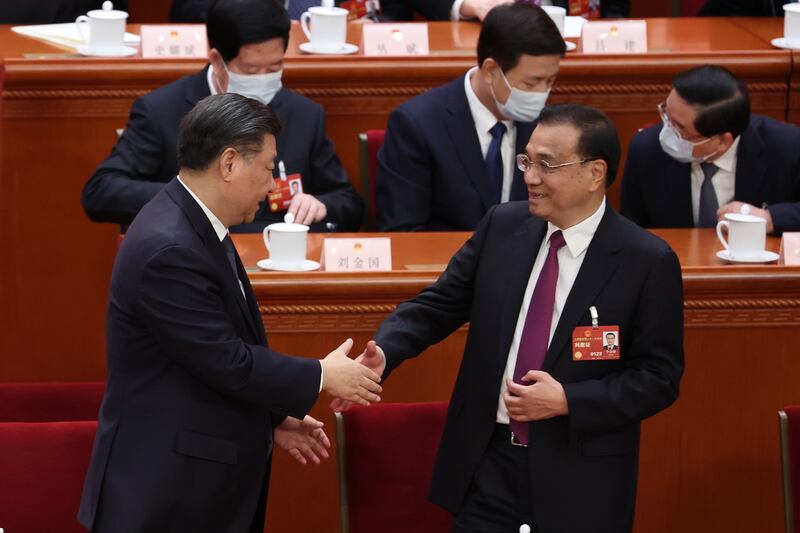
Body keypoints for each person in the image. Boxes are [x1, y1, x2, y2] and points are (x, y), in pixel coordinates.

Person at [339, 104, 684, 532]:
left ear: (596, 173)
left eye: (547, 164)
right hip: (488, 463)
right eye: (527, 160)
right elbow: (438, 305)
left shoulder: (646, 261)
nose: (530, 176)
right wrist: (385, 352)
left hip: (580, 475)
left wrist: (570, 401)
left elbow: (658, 378)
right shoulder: (503, 226)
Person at [77, 93, 382, 532]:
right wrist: (320, 373)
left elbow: (206, 355)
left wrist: (271, 418)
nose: (274, 185)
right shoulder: (169, 246)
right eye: (268, 168)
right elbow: (227, 359)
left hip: (194, 477)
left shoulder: (194, 221)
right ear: (229, 163)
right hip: (165, 493)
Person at [82, 0, 363, 232]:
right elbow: (102, 192)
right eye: (251, 71)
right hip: (191, 253)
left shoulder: (304, 114)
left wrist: (320, 204)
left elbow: (348, 202)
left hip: (278, 258)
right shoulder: (162, 109)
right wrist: (194, 196)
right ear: (217, 60)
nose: (264, 79)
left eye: (274, 67)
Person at [376, 2, 566, 231]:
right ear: (490, 71)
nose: (541, 94)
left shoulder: (550, 126)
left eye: (550, 81)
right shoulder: (417, 125)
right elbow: (404, 232)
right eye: (532, 82)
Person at [620, 65, 800, 234]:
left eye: (680, 128)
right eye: (666, 113)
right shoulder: (646, 149)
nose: (667, 131)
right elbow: (630, 228)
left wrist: (769, 218)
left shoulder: (788, 146)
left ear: (722, 141)